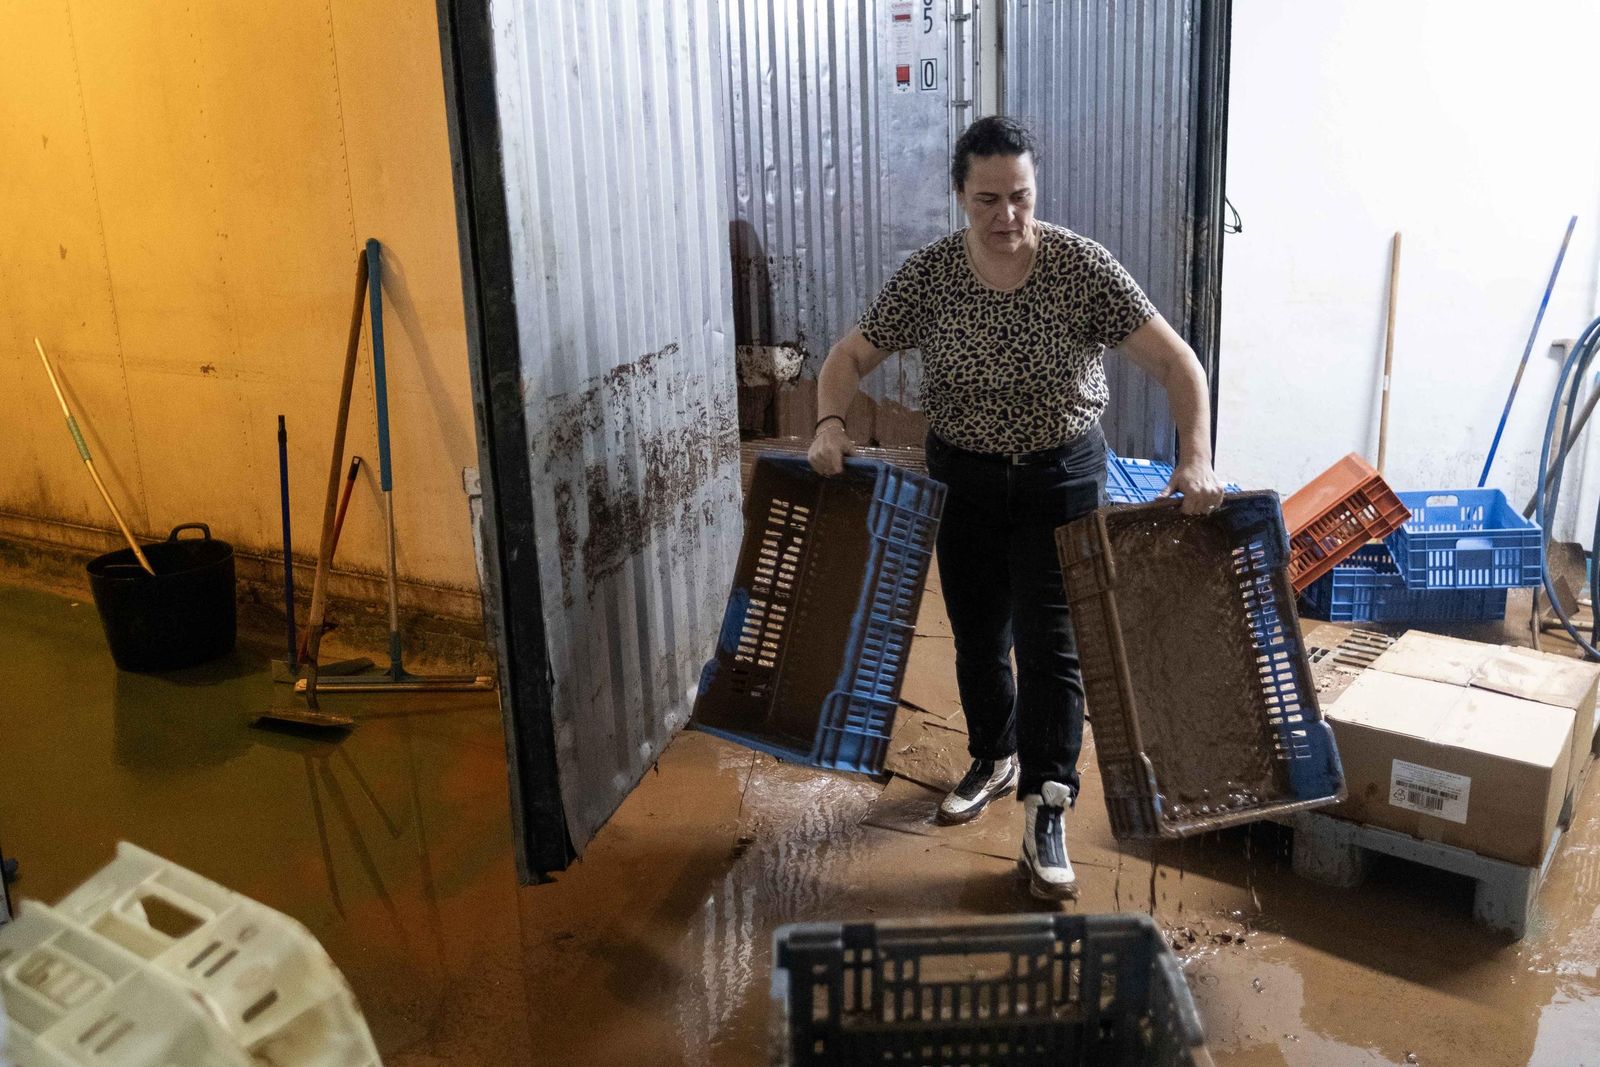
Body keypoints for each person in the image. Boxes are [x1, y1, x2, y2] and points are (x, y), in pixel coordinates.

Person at [807, 116, 1223, 900]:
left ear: (1037, 191)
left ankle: (1047, 803)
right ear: (960, 196)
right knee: (975, 636)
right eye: (988, 199)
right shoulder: (931, 276)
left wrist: (1194, 456)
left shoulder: (1079, 267)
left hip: (1060, 477)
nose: (1007, 217)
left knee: (1052, 643)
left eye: (1021, 197)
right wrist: (829, 421)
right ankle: (994, 756)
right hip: (962, 476)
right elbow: (847, 358)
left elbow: (1177, 364)